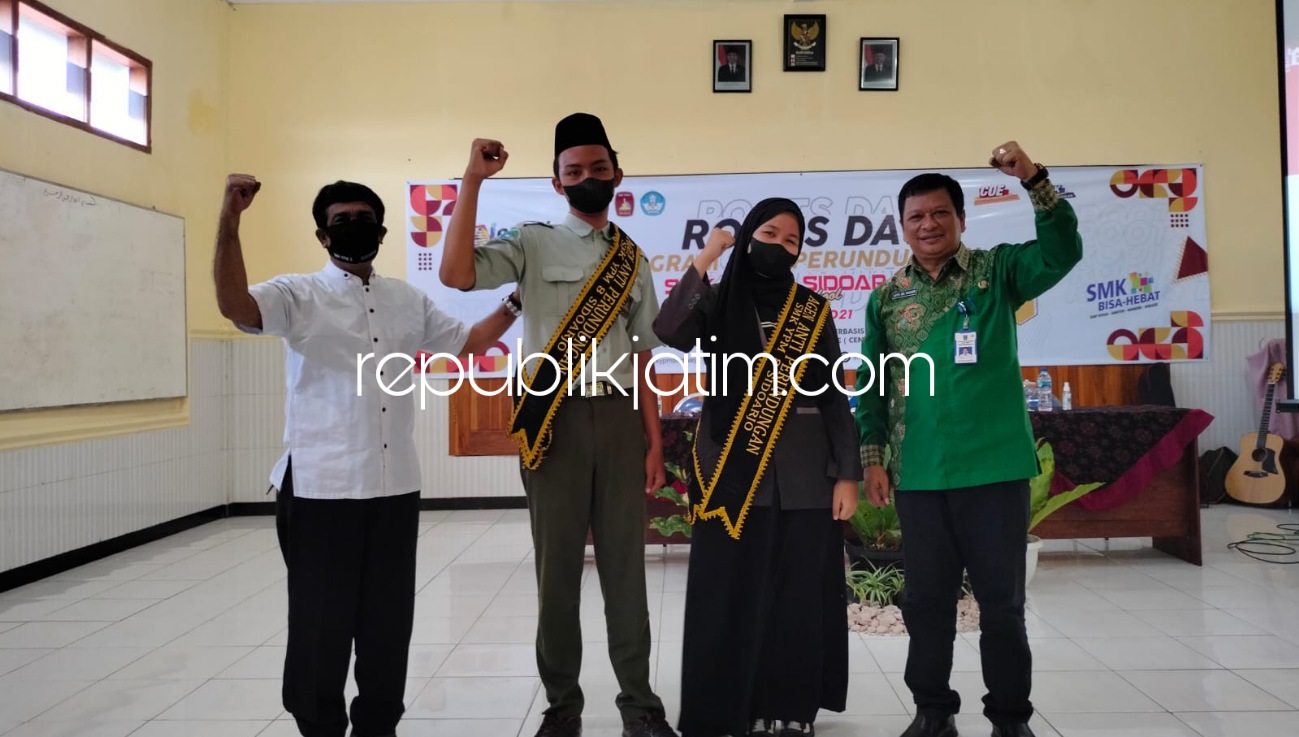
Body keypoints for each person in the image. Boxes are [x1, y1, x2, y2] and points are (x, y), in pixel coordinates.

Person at [213, 176, 519, 737]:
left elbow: (468, 343)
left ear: (381, 230)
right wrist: (230, 221)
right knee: (321, 625)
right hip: (320, 489)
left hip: (395, 488)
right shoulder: (297, 294)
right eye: (340, 220)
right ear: (323, 236)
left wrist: (517, 301)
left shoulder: (407, 298)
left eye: (362, 218)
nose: (352, 226)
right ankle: (319, 726)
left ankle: (379, 726)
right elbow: (235, 304)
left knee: (387, 625)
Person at [438, 113, 678, 737]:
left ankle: (640, 704)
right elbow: (456, 275)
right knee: (557, 571)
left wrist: (655, 442)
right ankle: (562, 706)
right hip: (555, 421)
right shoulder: (532, 242)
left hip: (623, 417)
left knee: (627, 567)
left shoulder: (632, 259)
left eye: (598, 168)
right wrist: (472, 181)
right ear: (557, 182)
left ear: (617, 175)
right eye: (575, 171)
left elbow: (647, 357)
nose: (588, 178)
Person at [854, 142, 1083, 737]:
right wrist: (873, 459)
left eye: (939, 214)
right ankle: (933, 712)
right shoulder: (885, 299)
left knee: (1002, 607)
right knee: (926, 606)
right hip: (921, 474)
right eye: (916, 217)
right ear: (901, 226)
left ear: (960, 218)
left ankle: (1010, 719)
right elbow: (871, 387)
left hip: (995, 471)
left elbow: (1062, 251)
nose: (928, 225)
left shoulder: (999, 273)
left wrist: (1032, 179)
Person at [653, 198, 860, 737]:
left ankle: (789, 706)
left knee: (797, 593)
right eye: (769, 232)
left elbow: (837, 394)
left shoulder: (812, 310)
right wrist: (705, 258)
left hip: (806, 475)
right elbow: (670, 329)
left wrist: (847, 473)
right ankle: (723, 708)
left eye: (792, 241)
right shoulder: (718, 303)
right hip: (730, 470)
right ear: (746, 238)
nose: (780, 246)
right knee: (726, 592)